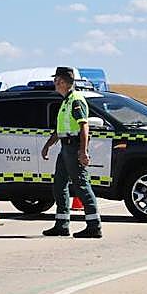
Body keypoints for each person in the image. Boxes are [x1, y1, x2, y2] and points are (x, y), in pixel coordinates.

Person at [40, 67, 102, 238]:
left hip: (74, 148)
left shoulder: (75, 100)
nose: (54, 83)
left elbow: (84, 126)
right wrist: (48, 145)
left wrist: (83, 152)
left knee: (81, 185)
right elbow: (61, 129)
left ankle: (94, 225)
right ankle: (62, 224)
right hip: (65, 147)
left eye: (56, 80)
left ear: (62, 81)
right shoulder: (66, 101)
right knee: (59, 186)